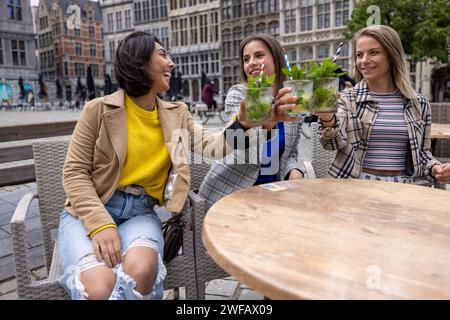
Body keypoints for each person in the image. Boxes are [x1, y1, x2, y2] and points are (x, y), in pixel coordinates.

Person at [58, 31, 296, 300]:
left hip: (140, 213)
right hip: (90, 211)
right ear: (139, 62)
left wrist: (242, 124)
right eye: (162, 55)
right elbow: (74, 173)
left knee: (142, 271)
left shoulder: (176, 113)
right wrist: (101, 225)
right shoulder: (98, 110)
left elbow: (213, 146)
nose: (171, 63)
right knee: (98, 287)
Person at [315, 25, 450, 184]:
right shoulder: (346, 99)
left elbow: (422, 154)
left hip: (405, 188)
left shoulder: (419, 103)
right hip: (355, 185)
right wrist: (327, 119)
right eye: (359, 55)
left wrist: (436, 168)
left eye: (374, 52)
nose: (364, 61)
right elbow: (332, 143)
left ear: (392, 56)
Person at [199, 33, 305, 211]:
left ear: (276, 59)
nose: (251, 63)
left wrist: (295, 173)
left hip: (271, 195)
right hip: (229, 194)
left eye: (259, 55)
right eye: (246, 59)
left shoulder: (291, 100)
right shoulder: (239, 95)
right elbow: (242, 143)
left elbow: (291, 154)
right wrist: (270, 124)